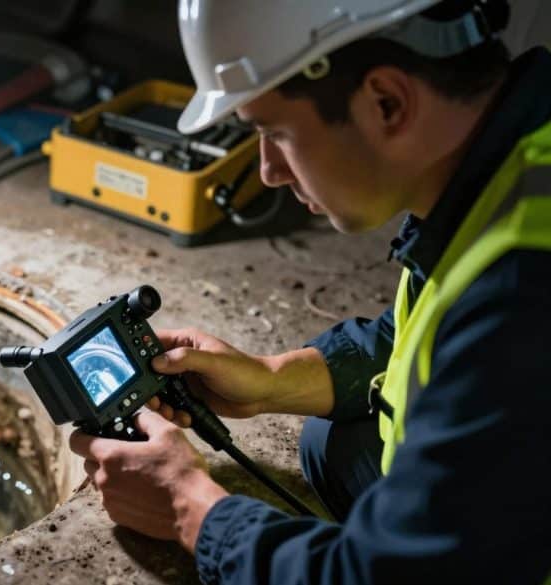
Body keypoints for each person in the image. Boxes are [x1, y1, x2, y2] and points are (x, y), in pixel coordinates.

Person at [69, 1, 551, 583]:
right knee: (332, 441)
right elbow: (428, 332)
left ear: (386, 103)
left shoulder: (519, 293)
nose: (268, 169)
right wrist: (274, 378)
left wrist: (188, 507)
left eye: (275, 132)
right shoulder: (513, 163)